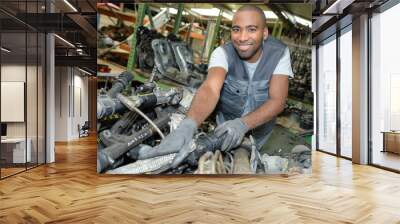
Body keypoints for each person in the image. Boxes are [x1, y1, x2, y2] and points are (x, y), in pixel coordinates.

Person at [154, 5, 293, 156]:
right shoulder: (222, 53)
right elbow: (210, 89)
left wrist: (243, 124)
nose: (242, 37)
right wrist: (188, 125)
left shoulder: (279, 53)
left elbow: (277, 100)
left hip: (259, 132)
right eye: (236, 29)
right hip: (223, 129)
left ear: (264, 33)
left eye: (251, 29)